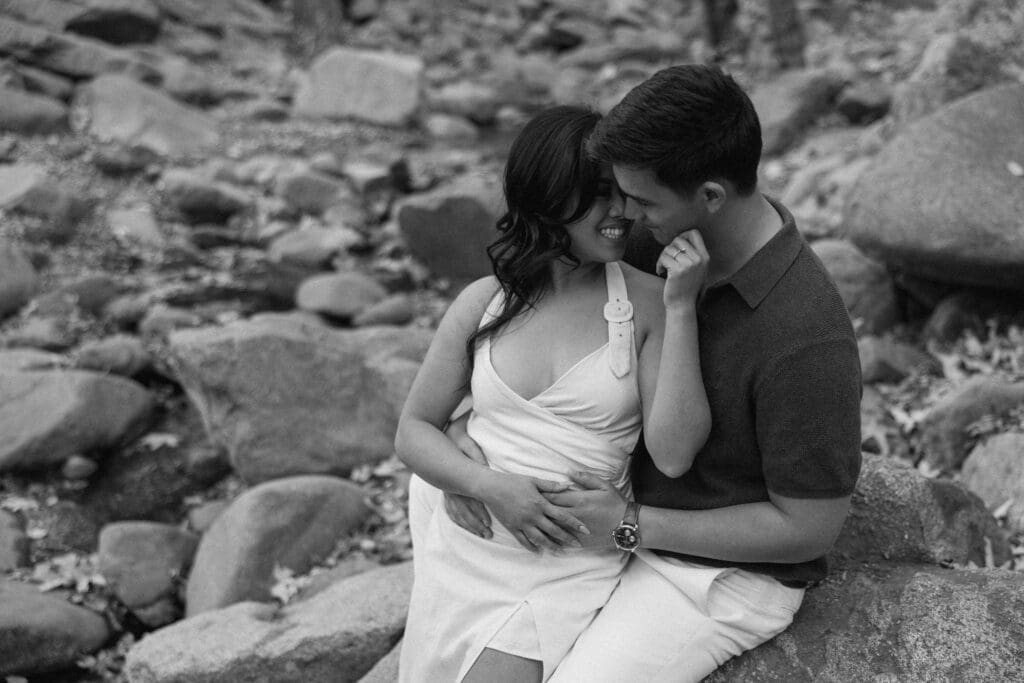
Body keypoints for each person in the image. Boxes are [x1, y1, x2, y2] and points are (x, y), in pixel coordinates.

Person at [444, 65, 863, 682]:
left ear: (711, 196)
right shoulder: (653, 240)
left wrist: (628, 527)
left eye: (641, 200)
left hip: (709, 577)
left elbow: (808, 529)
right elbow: (531, 337)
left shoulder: (805, 335)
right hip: (600, 536)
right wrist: (471, 444)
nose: (625, 214)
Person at [394, 105, 713, 682]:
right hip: (465, 546)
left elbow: (674, 453)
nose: (621, 212)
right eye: (598, 194)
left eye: (624, 194)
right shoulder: (484, 301)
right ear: (548, 195)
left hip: (561, 567)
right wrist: (480, 483)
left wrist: (683, 306)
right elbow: (413, 430)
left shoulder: (648, 302)